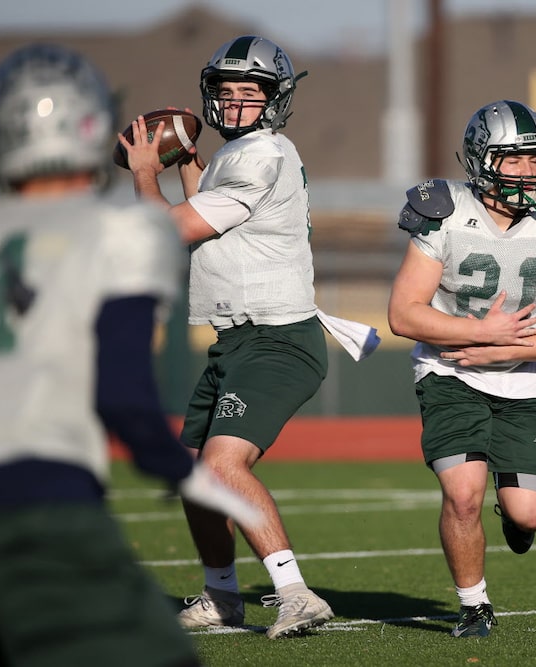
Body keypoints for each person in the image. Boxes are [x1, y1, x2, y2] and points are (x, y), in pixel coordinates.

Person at [0, 43, 262, 667]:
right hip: (44, 519)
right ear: (92, 127)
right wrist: (181, 471)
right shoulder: (124, 232)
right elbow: (121, 395)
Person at [119, 35, 377, 639]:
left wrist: (142, 173)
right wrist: (185, 158)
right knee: (195, 475)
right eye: (226, 92)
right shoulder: (240, 156)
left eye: (249, 92)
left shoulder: (264, 154)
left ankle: (294, 592)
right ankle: (223, 597)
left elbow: (171, 229)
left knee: (223, 464)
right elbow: (205, 201)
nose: (235, 104)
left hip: (277, 338)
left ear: (274, 100)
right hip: (236, 340)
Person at [388, 100, 536, 638]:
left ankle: (515, 509)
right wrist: (484, 333)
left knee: (529, 514)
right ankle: (474, 605)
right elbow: (403, 313)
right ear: (481, 161)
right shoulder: (446, 213)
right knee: (462, 494)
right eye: (514, 160)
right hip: (450, 370)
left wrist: (508, 349)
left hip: (525, 377)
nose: (529, 172)